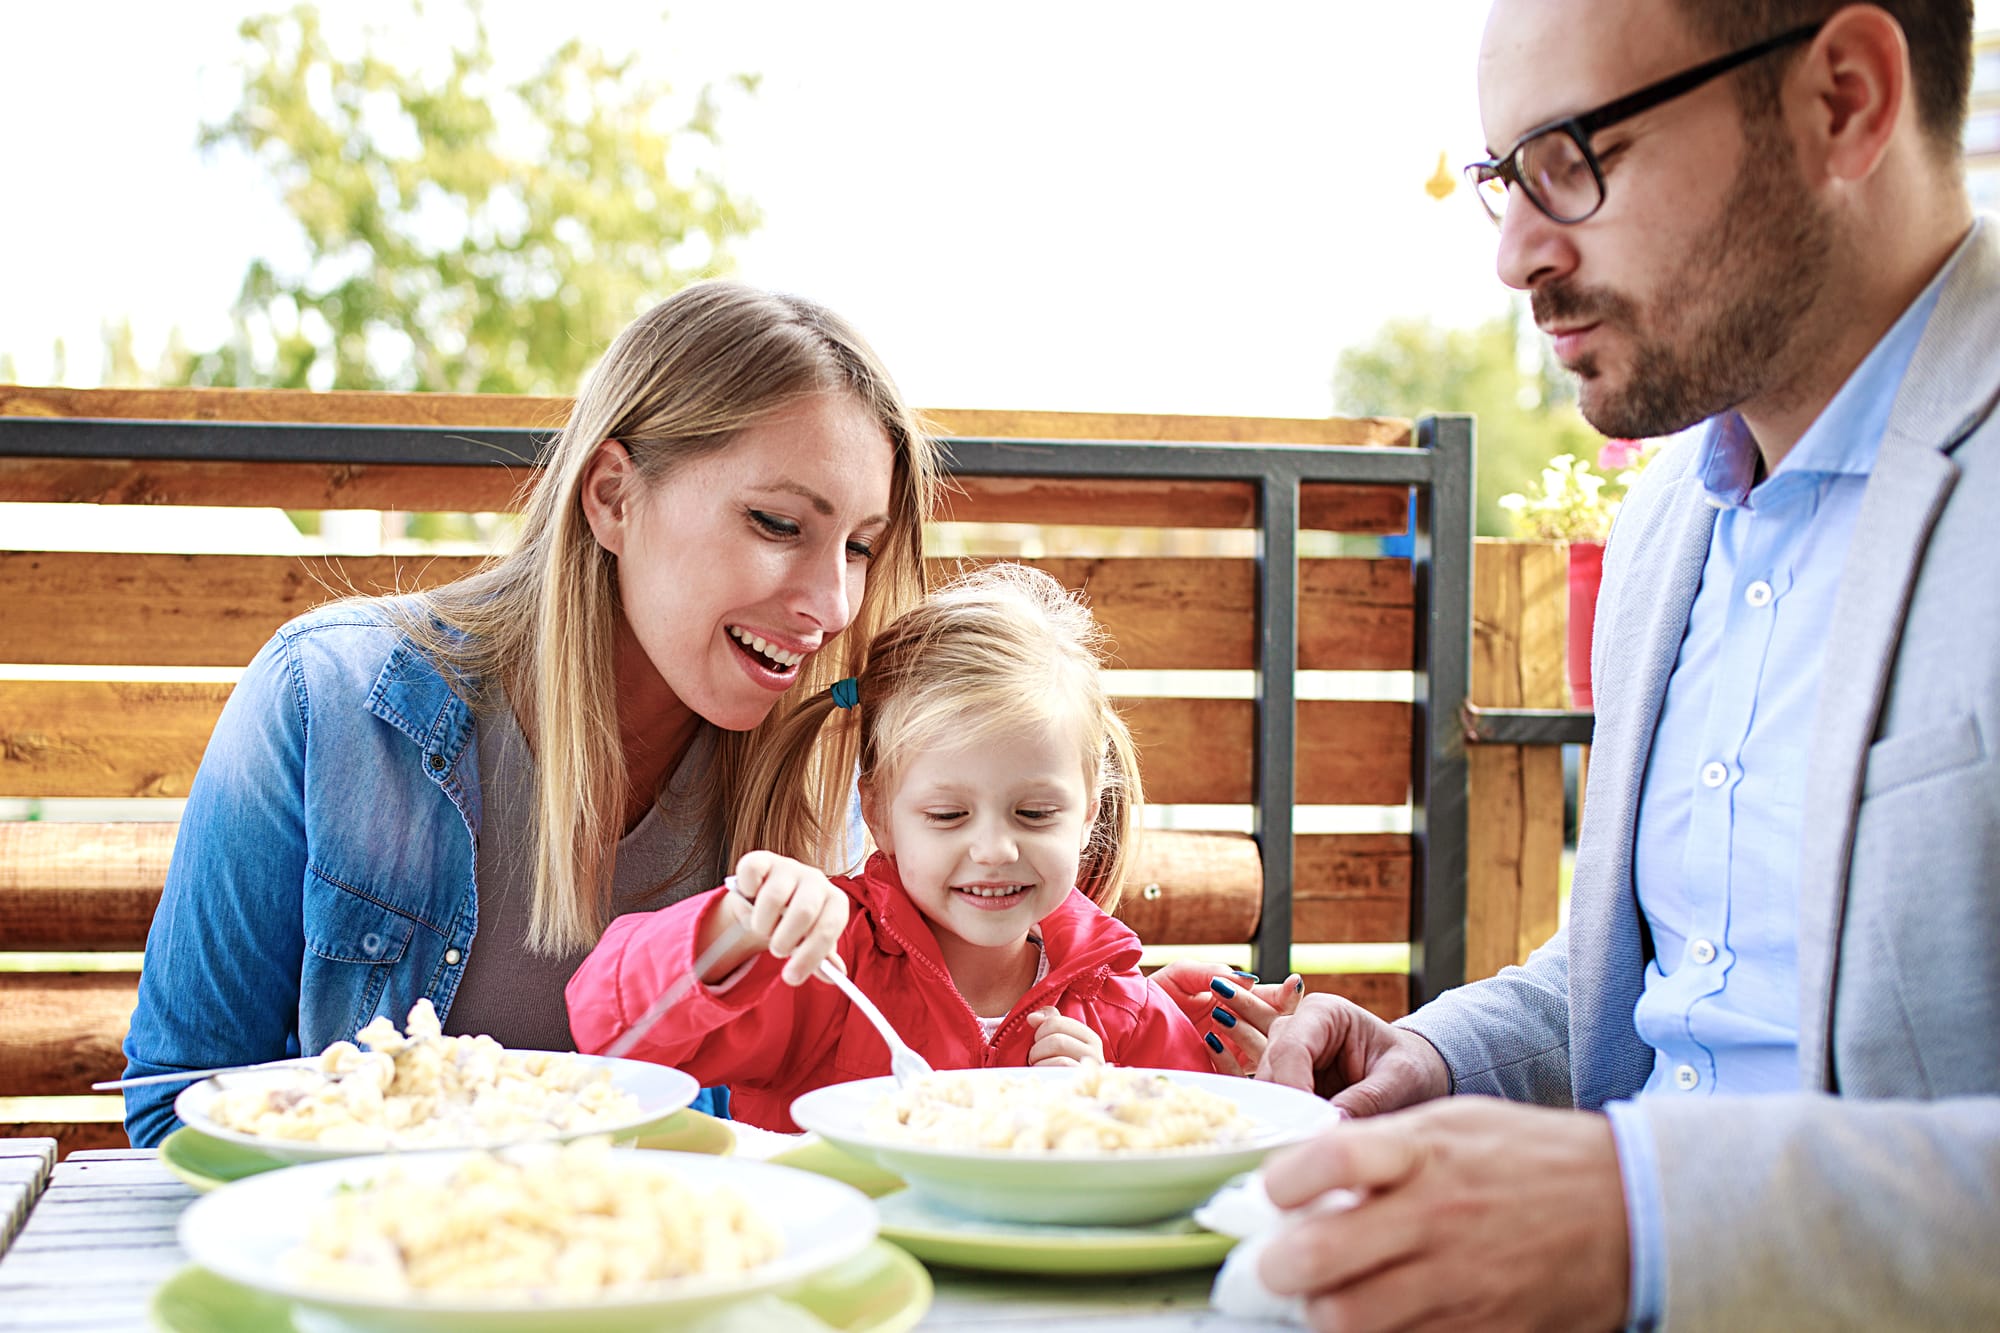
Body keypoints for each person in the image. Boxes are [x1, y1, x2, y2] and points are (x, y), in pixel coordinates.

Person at [1255, 1, 2000, 1328]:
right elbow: (1694, 974)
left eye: (1571, 159)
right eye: (1503, 182)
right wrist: (1442, 1055)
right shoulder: (1669, 517)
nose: (1516, 254)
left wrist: (1647, 1214)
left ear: (1844, 99)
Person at [120, 282, 942, 1147]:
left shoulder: (828, 782)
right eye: (778, 524)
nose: (835, 602)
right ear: (614, 497)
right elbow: (172, 1105)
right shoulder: (327, 700)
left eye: (861, 547)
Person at [567, 564, 1278, 1130]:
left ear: (1088, 811)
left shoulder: (1118, 1005)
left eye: (1034, 811)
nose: (995, 848)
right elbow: (610, 1028)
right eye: (947, 814)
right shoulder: (826, 965)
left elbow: (1203, 1146)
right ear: (877, 811)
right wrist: (735, 931)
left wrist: (1112, 1108)